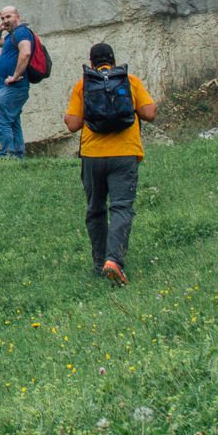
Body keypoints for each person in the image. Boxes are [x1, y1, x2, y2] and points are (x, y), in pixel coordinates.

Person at [63, 42, 157, 285]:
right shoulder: (130, 81)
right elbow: (149, 113)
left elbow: (72, 124)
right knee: (121, 207)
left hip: (93, 156)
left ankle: (99, 264)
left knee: (95, 209)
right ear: (113, 61)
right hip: (125, 154)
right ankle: (114, 260)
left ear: (91, 62)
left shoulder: (83, 85)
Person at [0, 5, 35, 158]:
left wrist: (15, 76)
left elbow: (26, 53)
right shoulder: (12, 36)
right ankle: (18, 156)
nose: (5, 20)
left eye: (8, 17)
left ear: (18, 17)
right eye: (2, 18)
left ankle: (7, 155)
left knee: (2, 121)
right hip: (9, 85)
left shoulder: (22, 32)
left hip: (14, 85)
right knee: (12, 121)